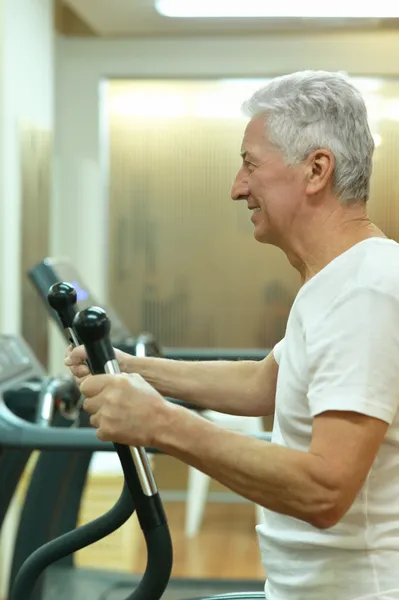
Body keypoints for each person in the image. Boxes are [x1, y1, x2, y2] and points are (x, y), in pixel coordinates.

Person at [65, 70, 399, 600]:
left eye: (250, 164)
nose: (236, 187)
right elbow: (263, 383)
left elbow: (326, 489)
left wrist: (161, 424)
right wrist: (129, 367)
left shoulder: (365, 292)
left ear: (316, 170)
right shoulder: (340, 280)